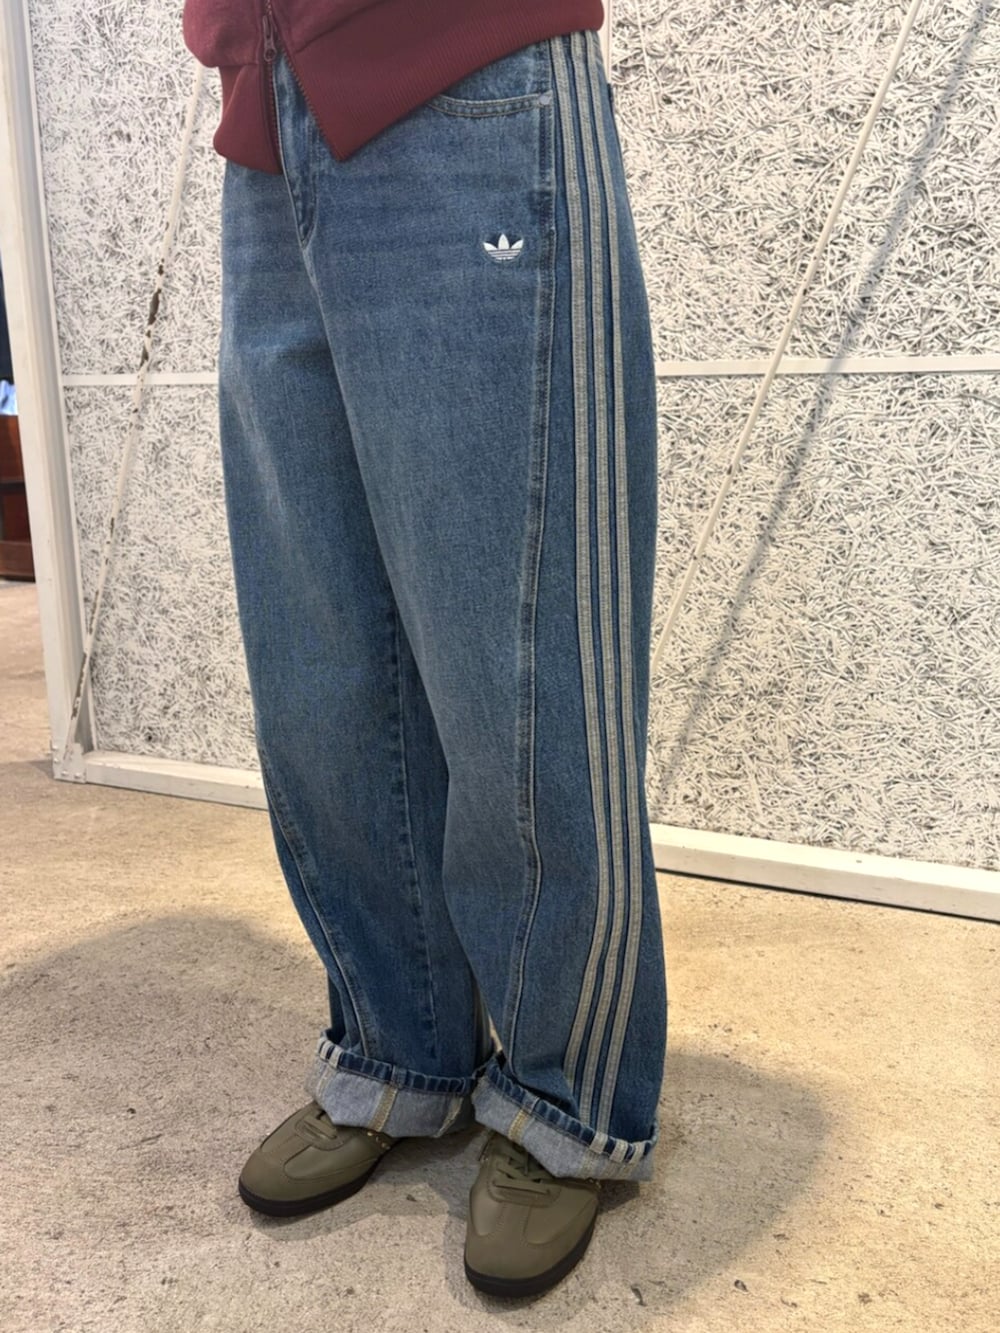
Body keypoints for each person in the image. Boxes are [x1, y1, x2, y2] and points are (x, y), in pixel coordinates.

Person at [182, 0, 667, 1299]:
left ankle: (566, 1094)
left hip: (466, 71)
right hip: (266, 108)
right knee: (322, 651)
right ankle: (396, 1048)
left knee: (518, 649)